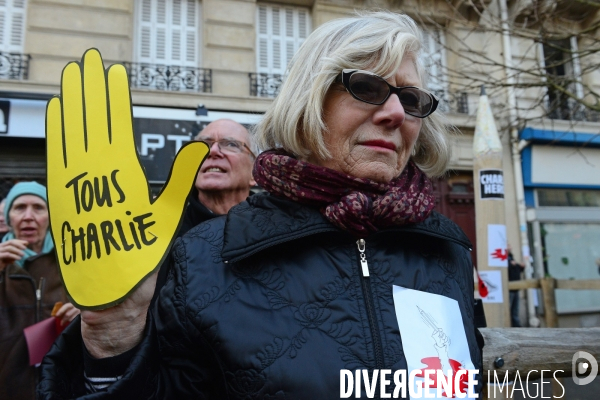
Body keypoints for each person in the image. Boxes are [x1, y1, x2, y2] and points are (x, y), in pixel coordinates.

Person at [39, 11, 483, 398]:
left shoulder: (448, 251)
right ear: (307, 100)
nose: (396, 114)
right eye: (366, 87)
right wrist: (114, 339)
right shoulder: (202, 258)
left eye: (411, 99)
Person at [0, 182, 80, 400]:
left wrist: (84, 312)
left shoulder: (72, 262)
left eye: (38, 207)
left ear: (50, 216)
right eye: (19, 208)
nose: (28, 216)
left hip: (63, 385)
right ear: (9, 219)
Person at [178, 118, 256, 237]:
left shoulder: (278, 227)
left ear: (254, 172)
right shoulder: (164, 228)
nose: (212, 151)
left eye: (231, 144)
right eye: (203, 145)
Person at [508, 244, 525, 327]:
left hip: (515, 288)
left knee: (515, 310)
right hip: (509, 289)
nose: (510, 247)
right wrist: (511, 265)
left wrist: (521, 267)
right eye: (508, 245)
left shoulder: (511, 257)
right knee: (509, 309)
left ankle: (516, 326)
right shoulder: (505, 259)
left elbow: (515, 270)